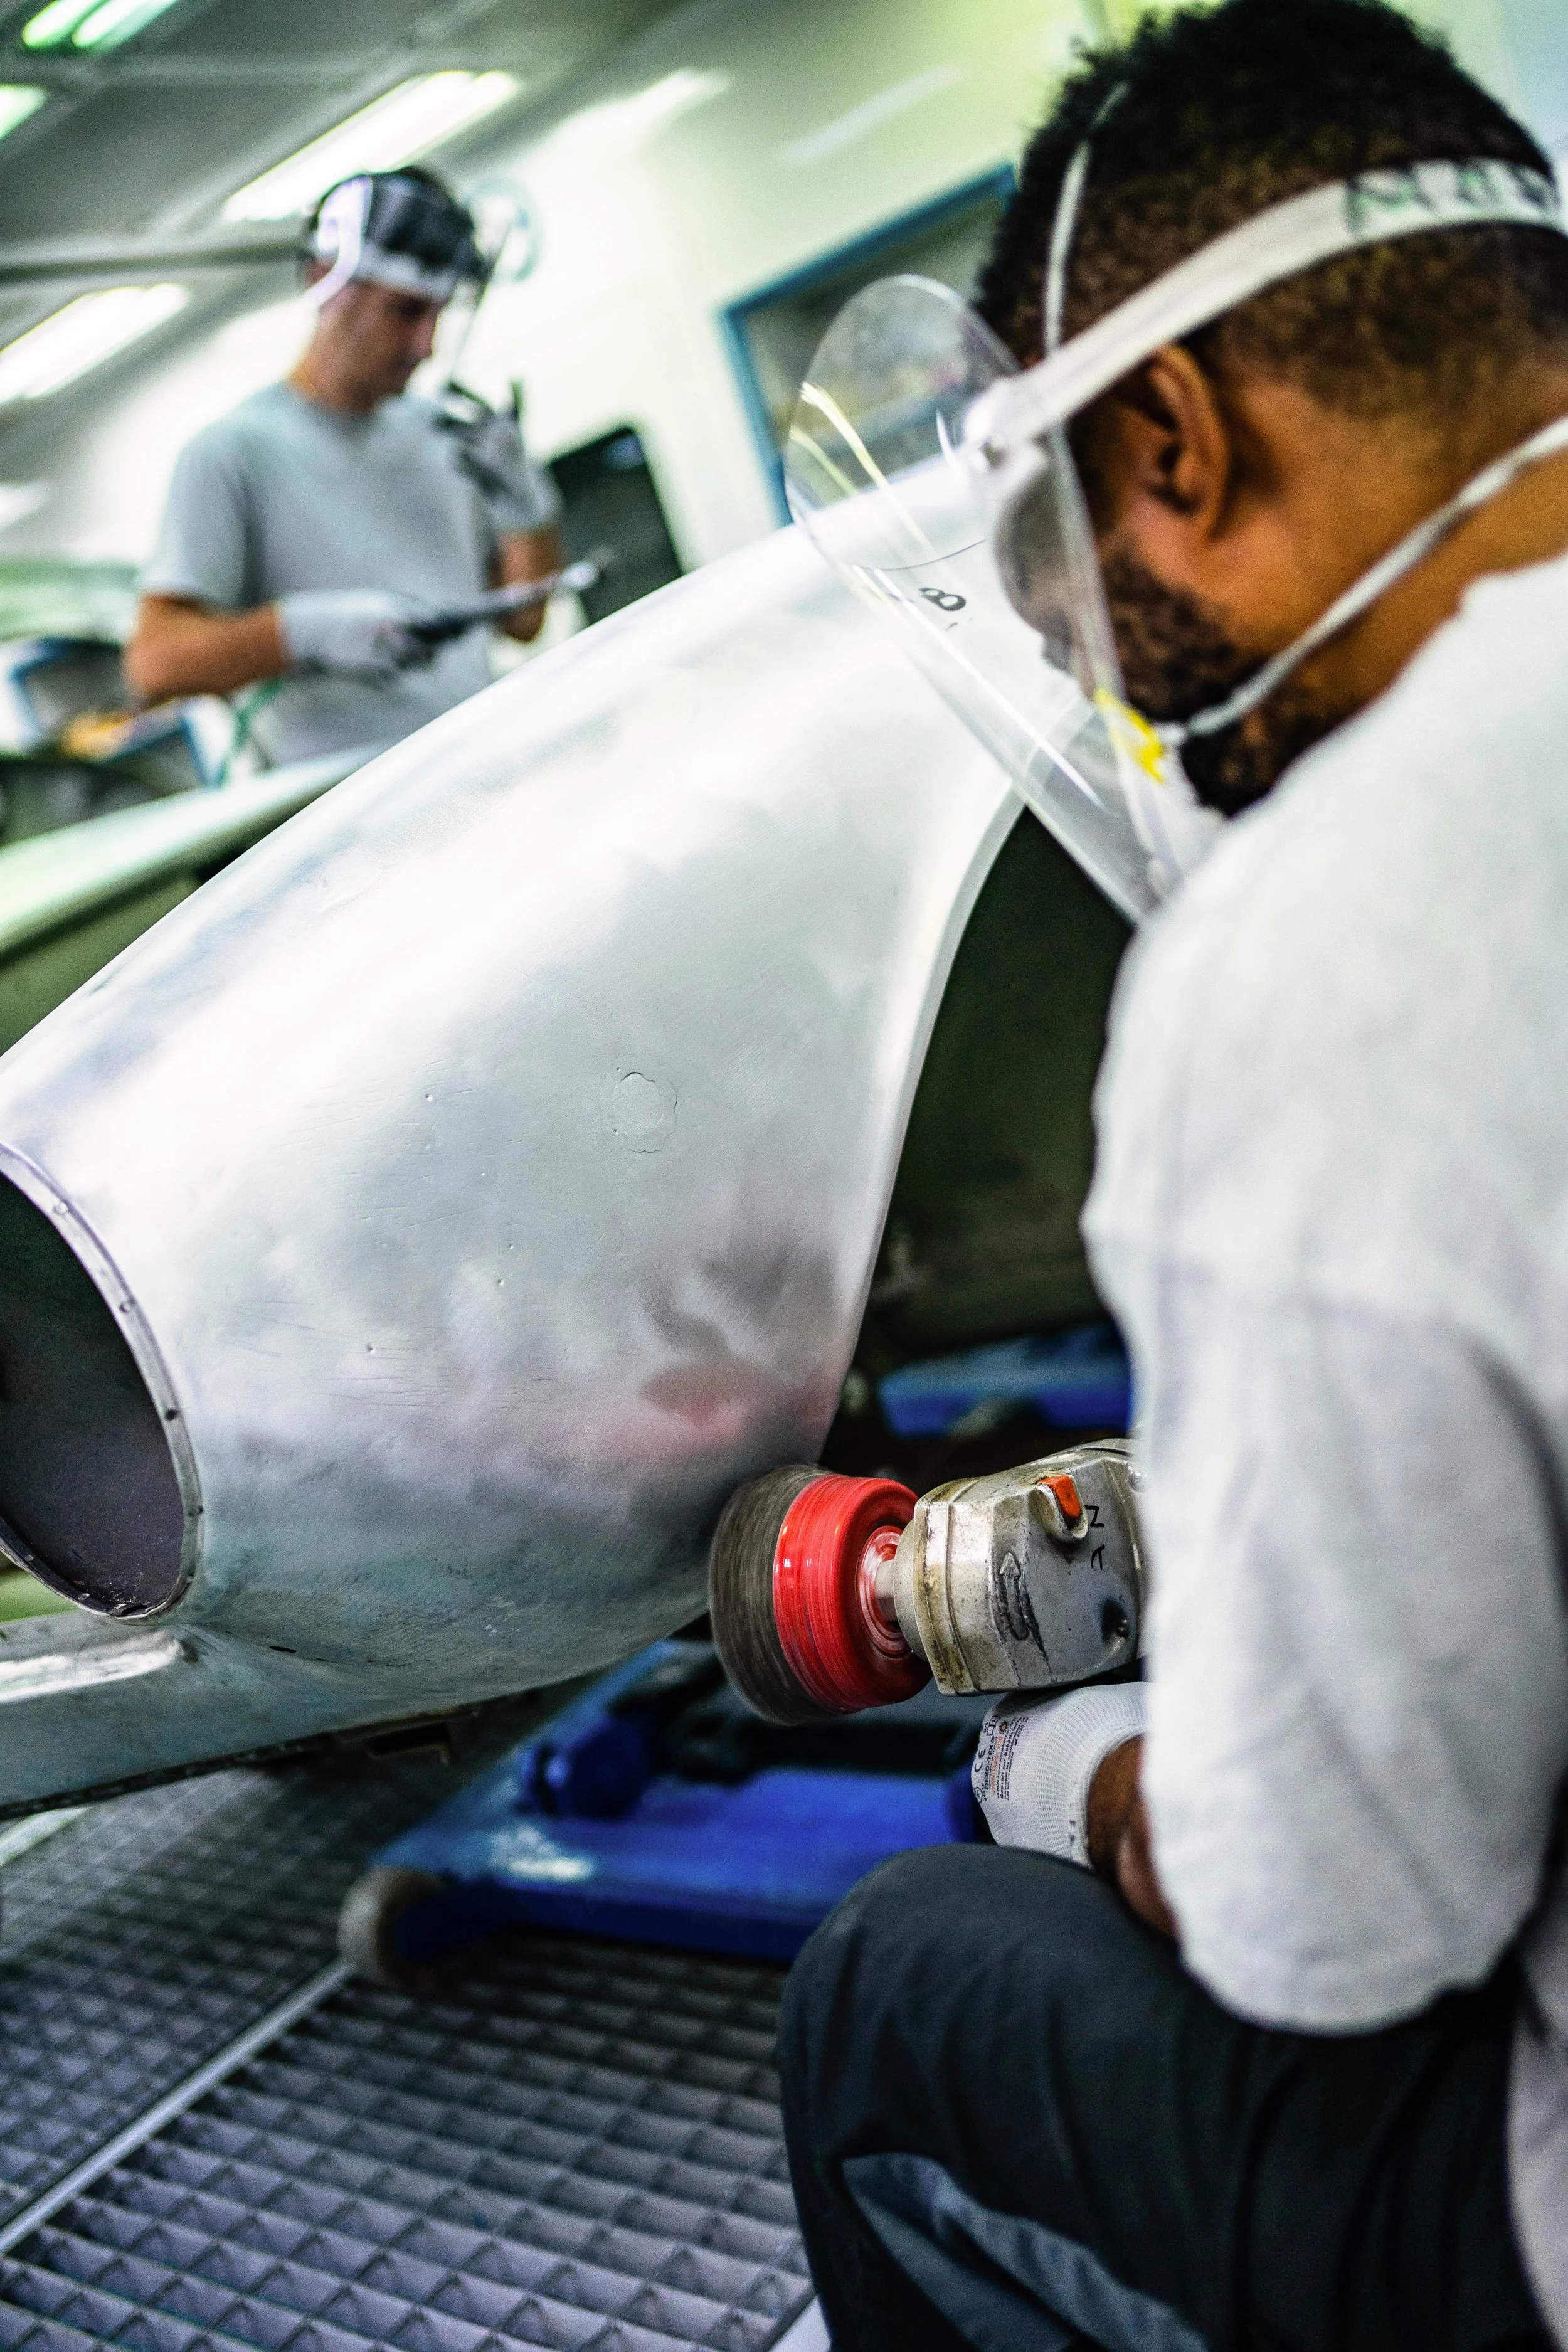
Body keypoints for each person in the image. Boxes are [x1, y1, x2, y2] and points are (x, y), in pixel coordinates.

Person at [778, 4, 1568, 2348]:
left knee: (897, 1987)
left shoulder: (1329, 928)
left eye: (1096, 604)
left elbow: (1337, 1923)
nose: (1147, 712)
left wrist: (1076, 1754)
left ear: (1173, 438)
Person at [125, 167, 563, 768]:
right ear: (325, 279)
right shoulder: (234, 453)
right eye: (406, 312)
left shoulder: (444, 438)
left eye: (439, 315)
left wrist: (526, 509)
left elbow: (523, 619)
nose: (426, 345)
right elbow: (155, 664)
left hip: (482, 770)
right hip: (355, 816)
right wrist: (305, 632)